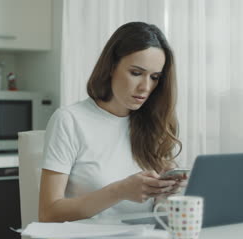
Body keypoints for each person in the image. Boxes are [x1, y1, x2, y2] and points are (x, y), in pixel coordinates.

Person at [39, 21, 187, 222]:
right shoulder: (69, 120)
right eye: (136, 73)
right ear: (111, 67)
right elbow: (49, 213)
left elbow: (155, 215)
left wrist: (163, 192)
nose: (145, 87)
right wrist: (120, 190)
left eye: (154, 77)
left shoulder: (152, 124)